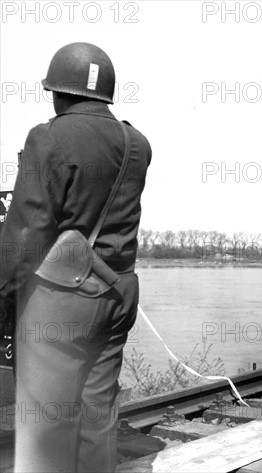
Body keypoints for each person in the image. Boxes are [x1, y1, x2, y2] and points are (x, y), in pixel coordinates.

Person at [0, 43, 151, 473]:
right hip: (119, 293)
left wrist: (3, 294)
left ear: (58, 92)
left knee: (46, 428)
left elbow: (24, 235)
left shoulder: (47, 137)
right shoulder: (137, 143)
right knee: (97, 416)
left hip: (62, 298)